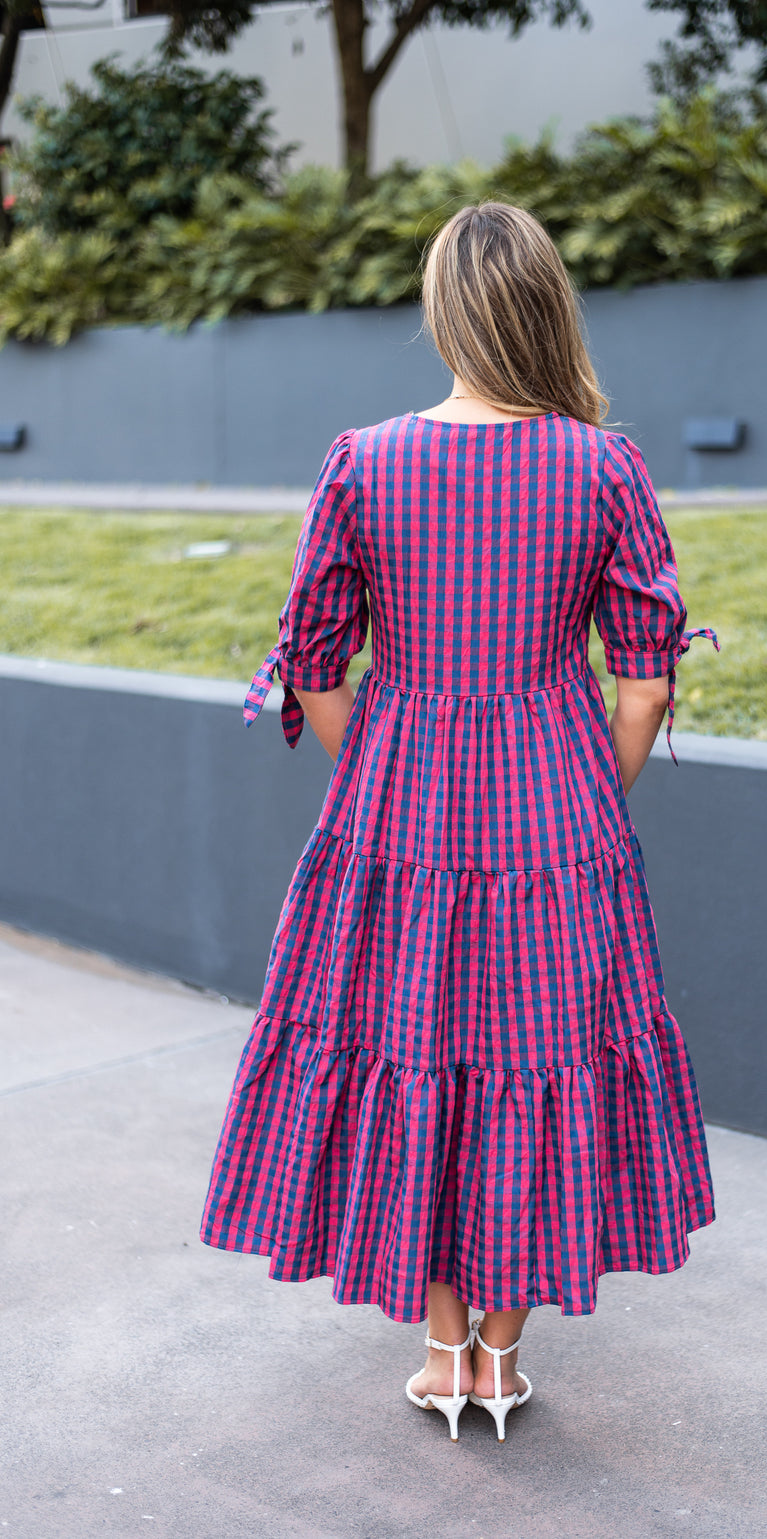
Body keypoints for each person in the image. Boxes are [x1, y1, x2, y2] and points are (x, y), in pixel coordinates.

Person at [200, 201, 718, 1443]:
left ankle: (441, 1356)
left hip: (399, 798)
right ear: (548, 307)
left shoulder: (363, 460)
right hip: (560, 798)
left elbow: (315, 665)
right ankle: (499, 1354)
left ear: (442, 311)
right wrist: (586, 792)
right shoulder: (604, 465)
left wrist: (381, 771)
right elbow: (643, 677)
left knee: (421, 1051)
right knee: (539, 1060)